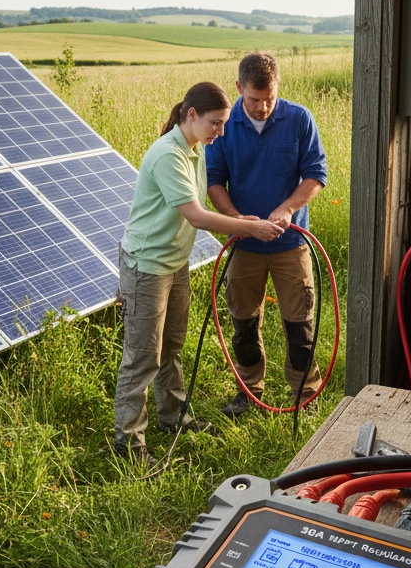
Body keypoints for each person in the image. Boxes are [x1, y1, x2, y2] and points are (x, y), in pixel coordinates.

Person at [113, 81, 283, 461]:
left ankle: (173, 416)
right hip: (148, 267)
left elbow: (200, 202)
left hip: (174, 263)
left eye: (224, 123)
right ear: (191, 115)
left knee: (171, 347)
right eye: (216, 123)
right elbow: (196, 215)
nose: (220, 131)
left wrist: (239, 218)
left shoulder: (194, 149)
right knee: (143, 355)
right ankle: (129, 442)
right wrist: (249, 228)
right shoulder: (167, 155)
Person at [206, 52, 327, 416]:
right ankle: (248, 392)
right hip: (244, 244)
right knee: (243, 323)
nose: (262, 107)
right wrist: (239, 220)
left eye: (269, 98)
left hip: (291, 243)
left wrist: (287, 209)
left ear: (278, 88)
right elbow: (213, 181)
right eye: (254, 99)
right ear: (239, 87)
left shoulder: (299, 118)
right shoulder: (225, 126)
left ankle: (304, 395)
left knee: (300, 325)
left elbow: (316, 173)